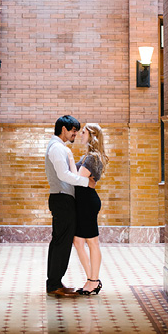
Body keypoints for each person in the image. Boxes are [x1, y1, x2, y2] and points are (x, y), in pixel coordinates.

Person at [45, 115, 96, 297]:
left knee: (61, 242)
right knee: (61, 243)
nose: (75, 134)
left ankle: (55, 282)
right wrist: (85, 182)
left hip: (63, 199)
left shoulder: (59, 147)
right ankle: (53, 285)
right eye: (74, 131)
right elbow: (64, 175)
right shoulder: (57, 148)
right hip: (62, 199)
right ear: (64, 129)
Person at [72, 123, 108, 295]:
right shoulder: (90, 156)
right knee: (78, 242)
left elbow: (77, 179)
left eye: (83, 132)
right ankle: (91, 279)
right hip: (84, 201)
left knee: (92, 242)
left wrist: (74, 172)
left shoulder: (92, 157)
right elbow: (82, 179)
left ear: (92, 135)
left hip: (87, 202)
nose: (80, 135)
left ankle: (93, 281)